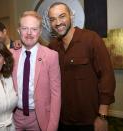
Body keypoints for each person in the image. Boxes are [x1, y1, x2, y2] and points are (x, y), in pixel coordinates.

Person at [47, 2, 116, 131]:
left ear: (71, 16)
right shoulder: (52, 47)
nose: (57, 22)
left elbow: (107, 77)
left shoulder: (91, 39)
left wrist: (102, 116)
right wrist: (16, 44)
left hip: (89, 120)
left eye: (62, 16)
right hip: (62, 119)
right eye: (53, 19)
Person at [11, 11, 61, 131]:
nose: (29, 33)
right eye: (25, 28)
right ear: (19, 31)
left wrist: (52, 127)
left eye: (34, 29)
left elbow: (56, 95)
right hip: (14, 117)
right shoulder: (10, 55)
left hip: (39, 118)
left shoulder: (51, 56)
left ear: (40, 32)